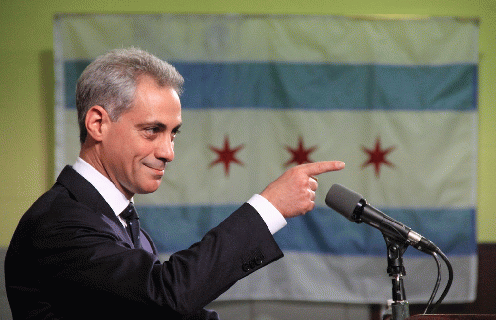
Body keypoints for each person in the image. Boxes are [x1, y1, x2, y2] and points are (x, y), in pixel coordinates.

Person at [5, 47, 345, 319]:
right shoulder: (60, 223)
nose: (168, 152)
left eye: (173, 134)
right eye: (152, 130)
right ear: (97, 123)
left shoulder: (115, 219)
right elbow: (166, 295)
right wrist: (269, 207)